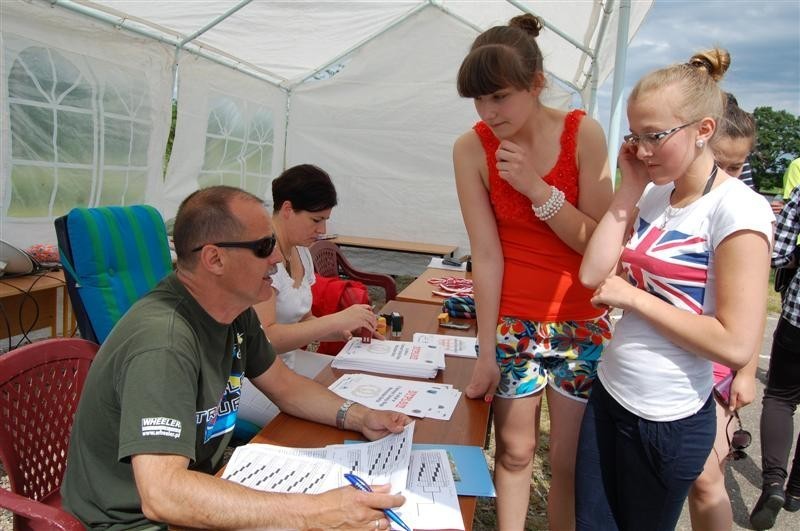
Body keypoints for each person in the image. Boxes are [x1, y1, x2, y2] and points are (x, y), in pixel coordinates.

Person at [61, 185, 408, 530]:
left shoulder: (233, 311)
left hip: (187, 500)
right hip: (131, 521)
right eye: (263, 246)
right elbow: (162, 494)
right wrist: (310, 512)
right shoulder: (164, 342)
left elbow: (285, 386)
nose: (276, 258)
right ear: (214, 259)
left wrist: (360, 416)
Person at [575, 47, 774, 531]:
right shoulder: (654, 192)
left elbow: (735, 342)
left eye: (655, 136)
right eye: (634, 136)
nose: (642, 150)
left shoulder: (739, 212)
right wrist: (628, 187)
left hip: (666, 417)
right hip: (612, 391)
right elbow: (590, 274)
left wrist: (633, 296)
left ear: (704, 129)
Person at [453, 14, 614, 530]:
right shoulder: (471, 148)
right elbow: (487, 253)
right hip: (512, 323)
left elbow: (600, 248)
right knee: (516, 452)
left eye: (499, 96)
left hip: (580, 321)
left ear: (536, 84)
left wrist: (537, 190)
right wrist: (484, 351)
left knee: (566, 463)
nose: (488, 111)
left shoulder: (582, 133)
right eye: (479, 100)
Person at [687, 49, 762, 531]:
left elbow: (752, 307)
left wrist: (747, 371)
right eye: (726, 166)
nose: (734, 177)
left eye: (741, 167)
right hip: (678, 355)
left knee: (707, 478)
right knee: (694, 476)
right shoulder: (671, 196)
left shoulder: (744, 207)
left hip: (715, 364)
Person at [253, 164, 378, 355]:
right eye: (316, 220)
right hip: (257, 378)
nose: (322, 230)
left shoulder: (301, 252)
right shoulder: (262, 256)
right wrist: (335, 320)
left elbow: (305, 321)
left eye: (325, 220)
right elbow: (266, 338)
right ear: (288, 209)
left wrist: (346, 330)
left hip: (286, 366)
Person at [750, 184, 800, 530]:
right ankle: (796, 491)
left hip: (798, 316)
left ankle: (773, 483)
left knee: (781, 398)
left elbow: (775, 252)